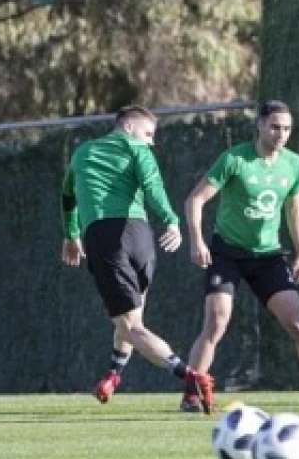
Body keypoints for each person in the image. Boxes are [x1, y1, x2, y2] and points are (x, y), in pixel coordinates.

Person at [181, 101, 299, 413]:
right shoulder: (235, 159)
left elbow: (293, 209)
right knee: (216, 322)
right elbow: (195, 200)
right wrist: (197, 242)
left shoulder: (294, 164)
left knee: (298, 324)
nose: (281, 134)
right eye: (275, 126)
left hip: (269, 256)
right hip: (227, 253)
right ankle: (191, 396)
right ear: (259, 125)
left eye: (287, 128)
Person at [62, 106, 214, 411]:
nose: (151, 142)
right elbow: (153, 188)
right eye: (148, 134)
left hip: (105, 238)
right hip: (141, 237)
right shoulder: (137, 150)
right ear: (128, 128)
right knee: (133, 321)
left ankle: (192, 376)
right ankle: (113, 375)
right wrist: (171, 220)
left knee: (131, 327)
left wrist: (71, 234)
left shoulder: (82, 153)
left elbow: (68, 198)